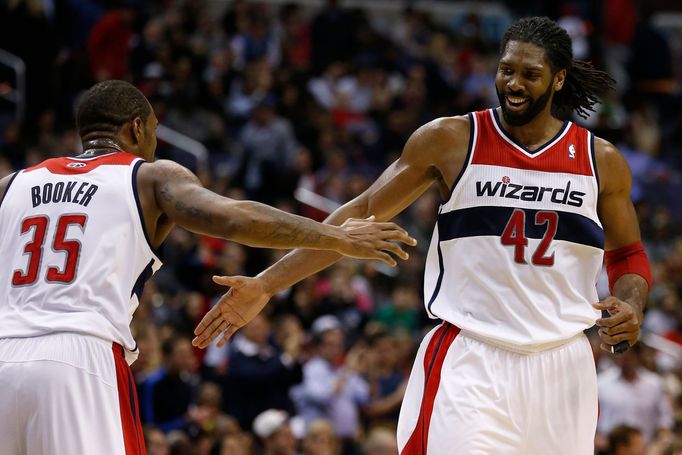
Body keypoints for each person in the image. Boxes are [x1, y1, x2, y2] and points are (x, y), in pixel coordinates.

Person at [193, 16, 653, 454]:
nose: (513, 84)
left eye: (529, 74)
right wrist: (266, 284)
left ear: (557, 79)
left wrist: (631, 304)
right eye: (506, 70)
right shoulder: (452, 140)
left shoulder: (601, 160)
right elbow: (360, 216)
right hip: (473, 355)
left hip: (564, 365)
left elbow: (629, 255)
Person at [0, 80, 415, 455]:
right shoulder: (148, 176)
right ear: (137, 129)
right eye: (156, 132)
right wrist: (337, 238)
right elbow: (235, 217)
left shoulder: (12, 185)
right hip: (78, 356)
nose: (155, 144)